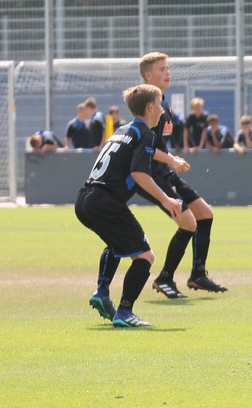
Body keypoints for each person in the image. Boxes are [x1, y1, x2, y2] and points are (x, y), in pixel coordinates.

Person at [76, 84, 183, 327]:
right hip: (105, 201)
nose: (162, 113)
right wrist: (166, 199)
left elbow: (141, 155)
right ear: (150, 106)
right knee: (145, 255)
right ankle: (125, 312)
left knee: (116, 244)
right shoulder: (146, 133)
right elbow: (139, 173)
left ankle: (102, 292)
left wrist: (171, 160)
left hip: (85, 198)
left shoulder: (124, 129)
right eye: (160, 106)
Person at [137, 52, 227, 298]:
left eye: (168, 68)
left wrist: (171, 161)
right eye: (162, 69)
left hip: (166, 171)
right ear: (148, 75)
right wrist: (172, 159)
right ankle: (165, 277)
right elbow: (143, 146)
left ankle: (198, 274)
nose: (168, 72)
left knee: (205, 215)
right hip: (154, 175)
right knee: (188, 223)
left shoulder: (162, 103)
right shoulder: (149, 106)